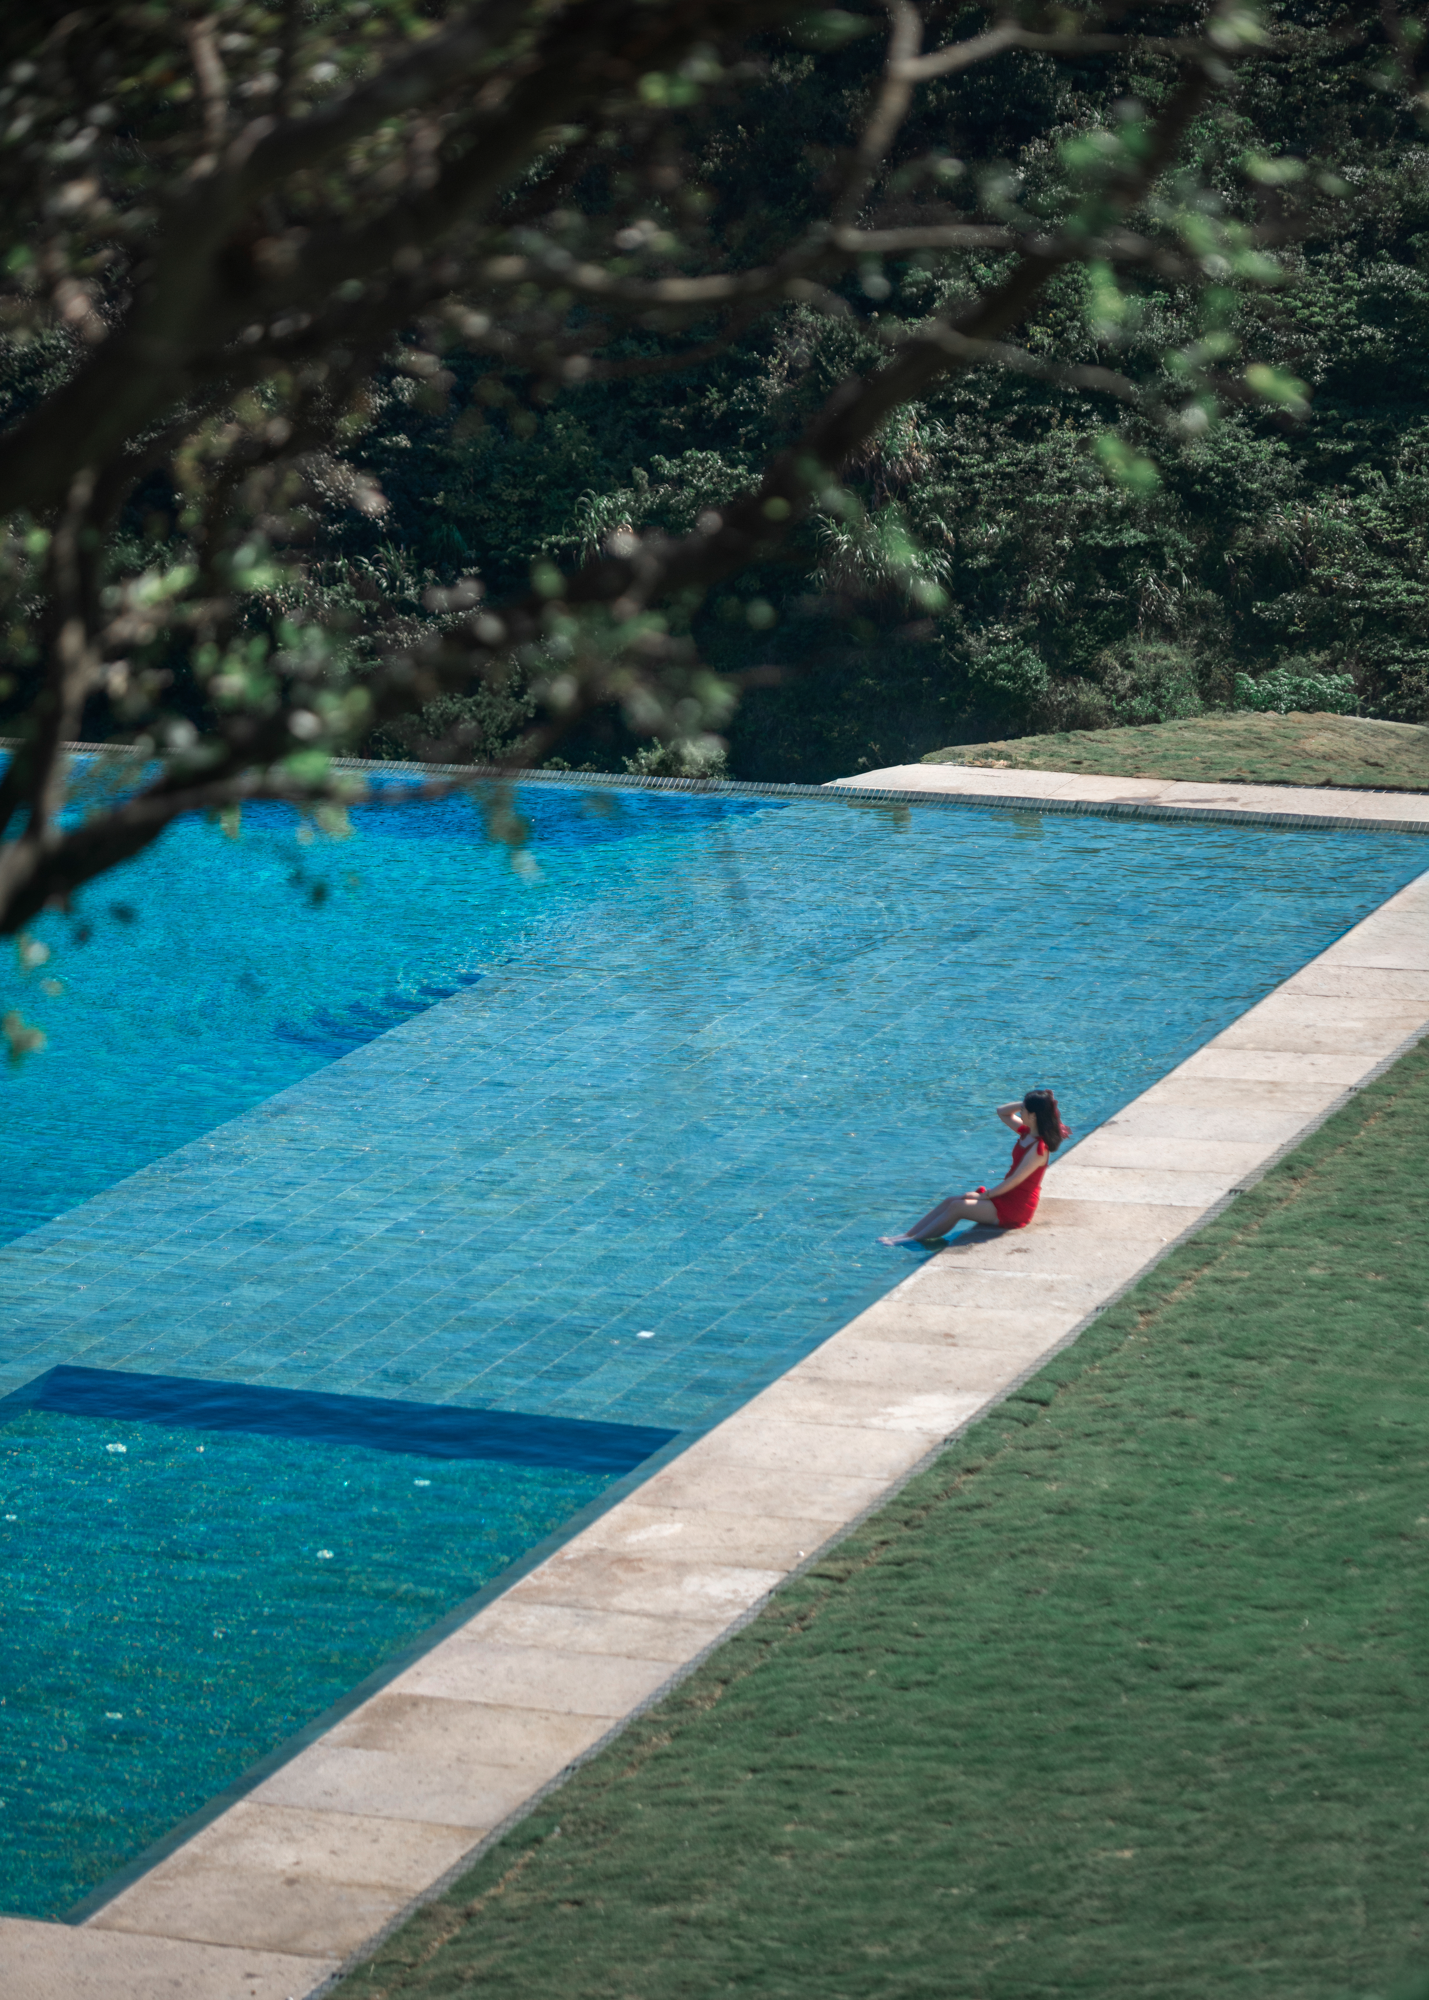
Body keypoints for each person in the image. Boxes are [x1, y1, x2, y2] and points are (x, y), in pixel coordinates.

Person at [878, 1089, 1070, 1245]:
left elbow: (1014, 1181)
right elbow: (1002, 1111)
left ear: (1034, 1116)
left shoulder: (1039, 1148)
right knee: (950, 1200)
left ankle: (912, 1240)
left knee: (958, 1207)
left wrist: (983, 1196)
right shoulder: (1026, 1132)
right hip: (1007, 1196)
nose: (1021, 1112)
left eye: (1025, 1111)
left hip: (1016, 1207)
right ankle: (907, 1235)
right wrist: (1026, 1103)